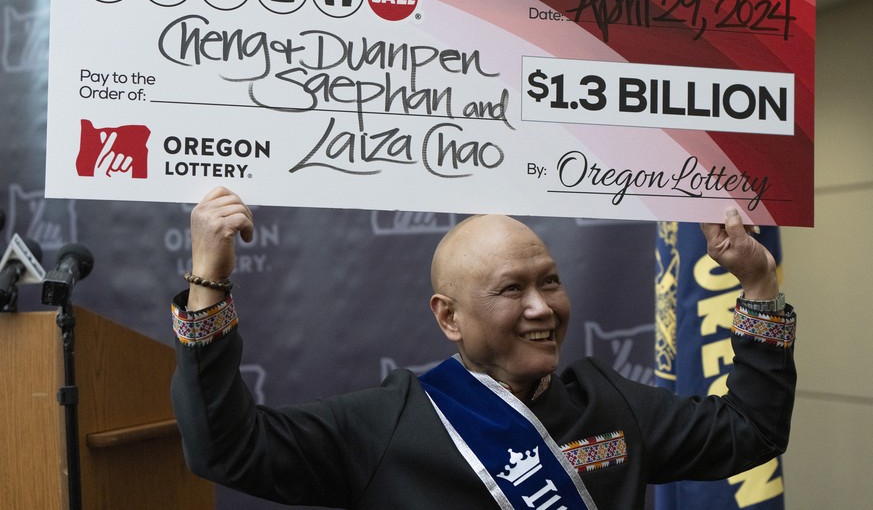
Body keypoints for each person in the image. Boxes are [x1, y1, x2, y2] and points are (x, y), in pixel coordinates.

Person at [170, 186, 796, 509]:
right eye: (510, 289)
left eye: (549, 280)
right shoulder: (386, 424)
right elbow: (225, 449)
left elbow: (752, 430)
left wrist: (759, 282)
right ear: (449, 317)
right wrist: (208, 280)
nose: (540, 307)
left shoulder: (609, 403)